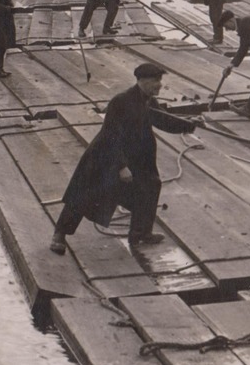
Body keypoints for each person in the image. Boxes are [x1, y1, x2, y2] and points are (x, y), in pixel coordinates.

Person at [50, 62, 202, 254]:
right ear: (142, 81)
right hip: (106, 156)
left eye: (160, 81)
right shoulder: (120, 101)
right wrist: (121, 166)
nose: (159, 85)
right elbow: (109, 136)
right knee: (83, 196)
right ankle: (59, 234)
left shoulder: (148, 101)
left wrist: (190, 125)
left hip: (134, 157)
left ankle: (140, 234)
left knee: (150, 185)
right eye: (155, 81)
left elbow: (163, 120)